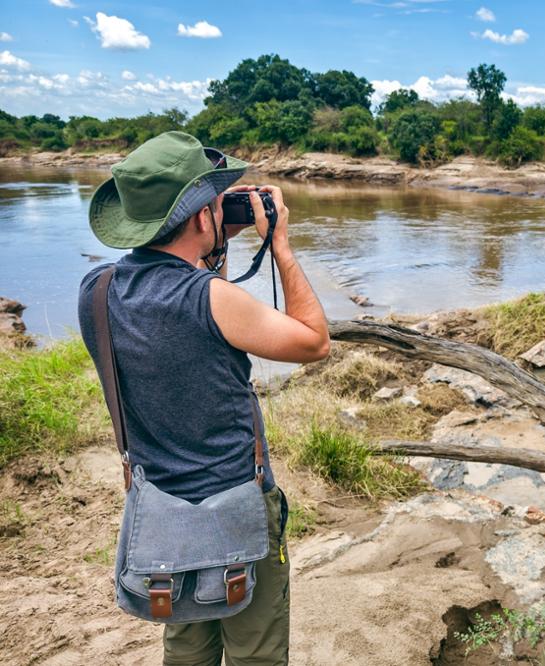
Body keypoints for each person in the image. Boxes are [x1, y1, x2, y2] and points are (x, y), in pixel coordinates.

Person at [77, 130, 329, 664]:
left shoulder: (94, 292)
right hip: (237, 505)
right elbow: (314, 342)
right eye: (216, 204)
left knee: (186, 645)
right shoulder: (214, 298)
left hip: (160, 509)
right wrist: (278, 243)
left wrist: (212, 232)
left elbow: (170, 291)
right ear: (197, 218)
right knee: (254, 651)